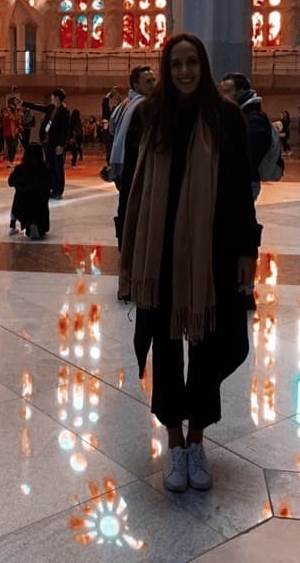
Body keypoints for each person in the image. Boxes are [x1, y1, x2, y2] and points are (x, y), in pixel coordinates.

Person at [119, 33, 261, 493]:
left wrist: (247, 251)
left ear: (203, 66)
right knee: (166, 344)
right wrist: (131, 245)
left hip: (213, 250)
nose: (184, 72)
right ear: (166, 68)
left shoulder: (226, 118)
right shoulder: (149, 115)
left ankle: (197, 438)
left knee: (205, 346)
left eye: (192, 64)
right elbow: (131, 185)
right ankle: (174, 440)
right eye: (176, 64)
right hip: (159, 251)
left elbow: (241, 189)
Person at [109, 65, 156, 249]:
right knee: (133, 210)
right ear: (136, 84)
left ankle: (125, 244)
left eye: (154, 80)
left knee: (126, 207)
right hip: (133, 167)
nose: (153, 85)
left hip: (122, 165)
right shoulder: (142, 106)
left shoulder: (125, 104)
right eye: (148, 81)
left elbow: (113, 131)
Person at [219, 72, 272, 202]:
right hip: (233, 181)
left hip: (242, 183)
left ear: (240, 93)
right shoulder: (236, 116)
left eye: (226, 91)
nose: (221, 96)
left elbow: (249, 158)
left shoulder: (254, 120)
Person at [23, 89, 71, 199]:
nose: (51, 99)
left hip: (57, 144)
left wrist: (61, 145)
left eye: (53, 97)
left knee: (58, 167)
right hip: (47, 143)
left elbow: (65, 130)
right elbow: (38, 107)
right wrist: (24, 103)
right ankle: (51, 188)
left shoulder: (65, 112)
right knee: (49, 166)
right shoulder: (51, 108)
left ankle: (58, 191)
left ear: (58, 98)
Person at [8, 143, 51, 239]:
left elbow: (10, 182)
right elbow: (50, 185)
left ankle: (13, 225)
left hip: (23, 207)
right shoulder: (45, 170)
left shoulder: (20, 169)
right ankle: (35, 225)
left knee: (19, 195)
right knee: (41, 230)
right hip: (40, 207)